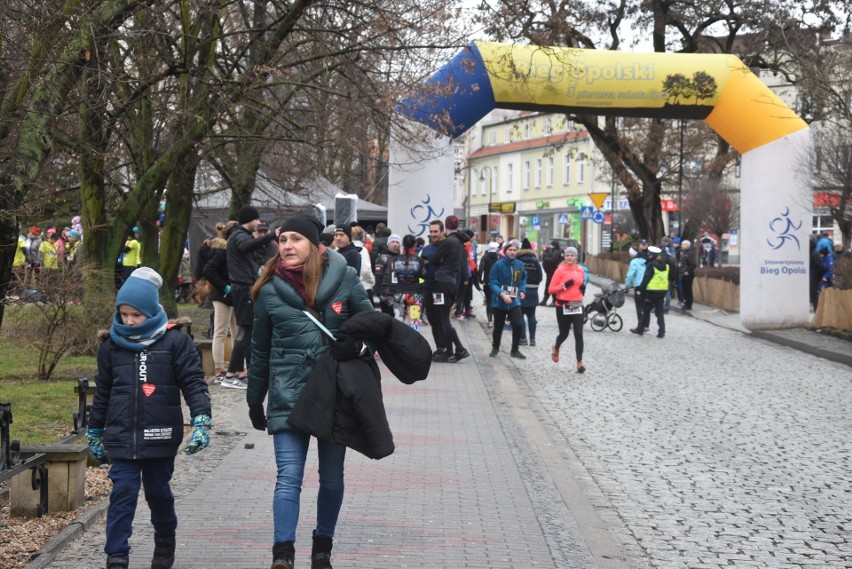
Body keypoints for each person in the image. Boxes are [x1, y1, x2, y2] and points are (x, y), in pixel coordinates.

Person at [246, 213, 374, 569]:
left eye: (295, 239)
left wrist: (357, 346)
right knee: (289, 475)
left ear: (315, 246)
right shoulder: (268, 289)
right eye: (283, 239)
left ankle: (322, 550)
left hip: (335, 394)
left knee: (332, 478)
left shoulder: (346, 279)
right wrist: (255, 400)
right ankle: (282, 555)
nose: (287, 246)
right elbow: (259, 350)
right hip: (288, 393)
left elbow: (372, 327)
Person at [86, 267, 212, 569]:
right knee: (123, 492)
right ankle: (116, 555)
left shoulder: (175, 343)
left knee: (158, 492)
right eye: (124, 314)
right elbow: (103, 392)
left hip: (160, 434)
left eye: (136, 315)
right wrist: (94, 430)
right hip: (122, 435)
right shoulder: (111, 346)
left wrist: (201, 420)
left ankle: (165, 540)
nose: (128, 321)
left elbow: (193, 382)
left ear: (152, 311)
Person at [225, 205, 277, 389]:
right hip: (243, 288)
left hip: (245, 286)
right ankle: (231, 374)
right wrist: (270, 236)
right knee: (245, 331)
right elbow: (246, 246)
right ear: (250, 219)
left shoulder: (241, 235)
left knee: (245, 331)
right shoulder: (239, 236)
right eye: (256, 219)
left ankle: (236, 373)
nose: (258, 222)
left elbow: (254, 253)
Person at [422, 216, 470, 363]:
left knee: (443, 320)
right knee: (435, 320)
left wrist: (459, 296)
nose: (434, 234)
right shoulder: (429, 248)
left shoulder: (449, 243)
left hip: (442, 285)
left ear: (443, 231)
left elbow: (460, 270)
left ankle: (456, 349)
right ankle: (445, 350)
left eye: (436, 231)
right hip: (431, 287)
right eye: (431, 231)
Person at [203, 222, 239, 381]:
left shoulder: (231, 251)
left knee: (238, 332)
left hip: (232, 296)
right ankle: (219, 368)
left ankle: (237, 366)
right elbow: (208, 270)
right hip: (222, 296)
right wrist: (224, 286)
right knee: (220, 332)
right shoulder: (221, 252)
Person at [548, 247, 586, 372]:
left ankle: (579, 362)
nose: (569, 257)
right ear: (564, 257)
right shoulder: (560, 271)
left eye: (572, 255)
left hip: (577, 304)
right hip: (563, 305)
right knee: (564, 333)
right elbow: (551, 289)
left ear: (576, 257)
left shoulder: (580, 271)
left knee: (579, 333)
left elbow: (580, 285)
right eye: (567, 255)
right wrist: (564, 286)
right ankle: (556, 347)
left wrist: (582, 289)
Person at [489, 241, 528, 358]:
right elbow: (492, 283)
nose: (512, 252)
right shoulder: (498, 265)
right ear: (505, 251)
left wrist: (522, 290)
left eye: (514, 250)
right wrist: (502, 294)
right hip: (499, 301)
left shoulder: (520, 264)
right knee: (498, 327)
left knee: (518, 324)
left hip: (514, 301)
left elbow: (523, 279)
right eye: (510, 250)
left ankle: (514, 350)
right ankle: (495, 347)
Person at [632, 246, 669, 338]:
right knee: (659, 311)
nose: (648, 255)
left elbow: (646, 279)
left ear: (653, 256)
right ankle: (662, 331)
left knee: (646, 310)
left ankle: (640, 329)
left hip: (652, 291)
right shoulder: (666, 266)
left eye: (650, 254)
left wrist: (640, 289)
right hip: (663, 291)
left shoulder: (651, 265)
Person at [516, 243, 542, 346]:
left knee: (520, 316)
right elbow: (540, 277)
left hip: (521, 290)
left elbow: (516, 276)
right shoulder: (535, 261)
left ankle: (523, 339)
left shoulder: (518, 261)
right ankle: (532, 339)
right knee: (531, 316)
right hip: (533, 291)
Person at [373, 233, 402, 317]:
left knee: (398, 318)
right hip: (386, 294)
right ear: (388, 244)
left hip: (399, 294)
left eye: (397, 242)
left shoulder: (401, 258)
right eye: (393, 242)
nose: (395, 244)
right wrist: (378, 292)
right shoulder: (382, 258)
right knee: (387, 318)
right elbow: (378, 276)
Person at [624, 247, 647, 331]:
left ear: (633, 254)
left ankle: (640, 327)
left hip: (639, 286)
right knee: (645, 307)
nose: (629, 254)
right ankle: (645, 326)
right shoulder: (645, 261)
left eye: (630, 253)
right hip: (647, 286)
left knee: (639, 307)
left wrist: (626, 286)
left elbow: (630, 275)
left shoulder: (634, 262)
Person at [478, 241, 500, 327]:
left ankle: (490, 320)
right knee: (496, 300)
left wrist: (480, 279)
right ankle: (497, 319)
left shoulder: (485, 257)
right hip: (498, 282)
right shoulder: (499, 258)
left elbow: (480, 269)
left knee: (489, 301)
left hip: (487, 282)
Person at [540, 240, 562, 306]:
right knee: (548, 286)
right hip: (550, 272)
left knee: (551, 286)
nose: (551, 246)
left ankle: (553, 301)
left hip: (553, 272)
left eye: (552, 245)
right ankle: (546, 300)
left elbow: (553, 260)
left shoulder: (556, 252)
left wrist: (546, 258)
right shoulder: (554, 251)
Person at [676, 240, 697, 310]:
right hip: (683, 274)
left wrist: (688, 271)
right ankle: (686, 303)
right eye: (682, 244)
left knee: (688, 289)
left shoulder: (690, 253)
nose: (682, 246)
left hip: (688, 274)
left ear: (687, 245)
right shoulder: (684, 253)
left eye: (683, 244)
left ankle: (688, 304)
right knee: (684, 289)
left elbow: (693, 264)